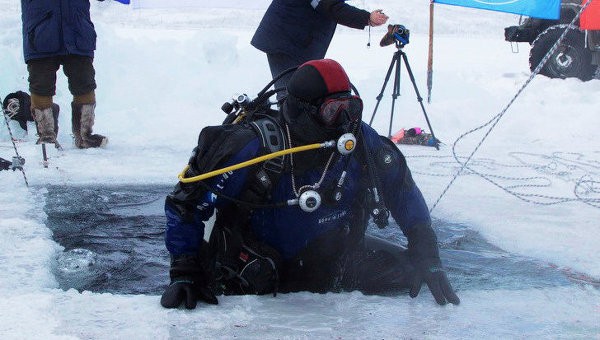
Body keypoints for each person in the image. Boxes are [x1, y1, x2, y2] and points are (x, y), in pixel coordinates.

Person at [160, 59, 459, 310]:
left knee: (413, 270)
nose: (344, 120)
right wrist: (184, 269)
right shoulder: (254, 146)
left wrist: (424, 246)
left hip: (333, 264)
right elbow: (186, 203)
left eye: (350, 108)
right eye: (333, 110)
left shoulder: (359, 141)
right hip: (255, 270)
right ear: (303, 110)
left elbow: (400, 188)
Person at [251, 0, 389, 100]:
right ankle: (290, 137)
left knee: (298, 96)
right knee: (290, 97)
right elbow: (330, 6)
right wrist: (366, 18)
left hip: (298, 40)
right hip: (285, 39)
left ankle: (297, 135)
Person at [20, 0, 108, 149]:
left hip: (77, 31)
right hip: (41, 32)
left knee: (84, 83)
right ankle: (46, 136)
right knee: (41, 84)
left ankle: (84, 136)